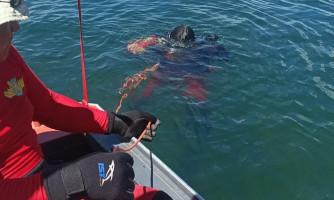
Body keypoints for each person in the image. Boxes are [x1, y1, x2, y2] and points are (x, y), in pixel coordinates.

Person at [0, 1, 171, 200]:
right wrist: (74, 181)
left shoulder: (8, 56)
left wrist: (115, 123)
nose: (15, 27)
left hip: (42, 175)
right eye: (4, 23)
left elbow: (47, 105)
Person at [127, 25, 229, 101]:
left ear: (171, 36)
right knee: (200, 96)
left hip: (167, 69)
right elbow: (226, 57)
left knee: (150, 87)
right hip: (193, 70)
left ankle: (138, 105)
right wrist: (212, 41)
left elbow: (132, 48)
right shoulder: (204, 44)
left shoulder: (161, 42)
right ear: (193, 40)